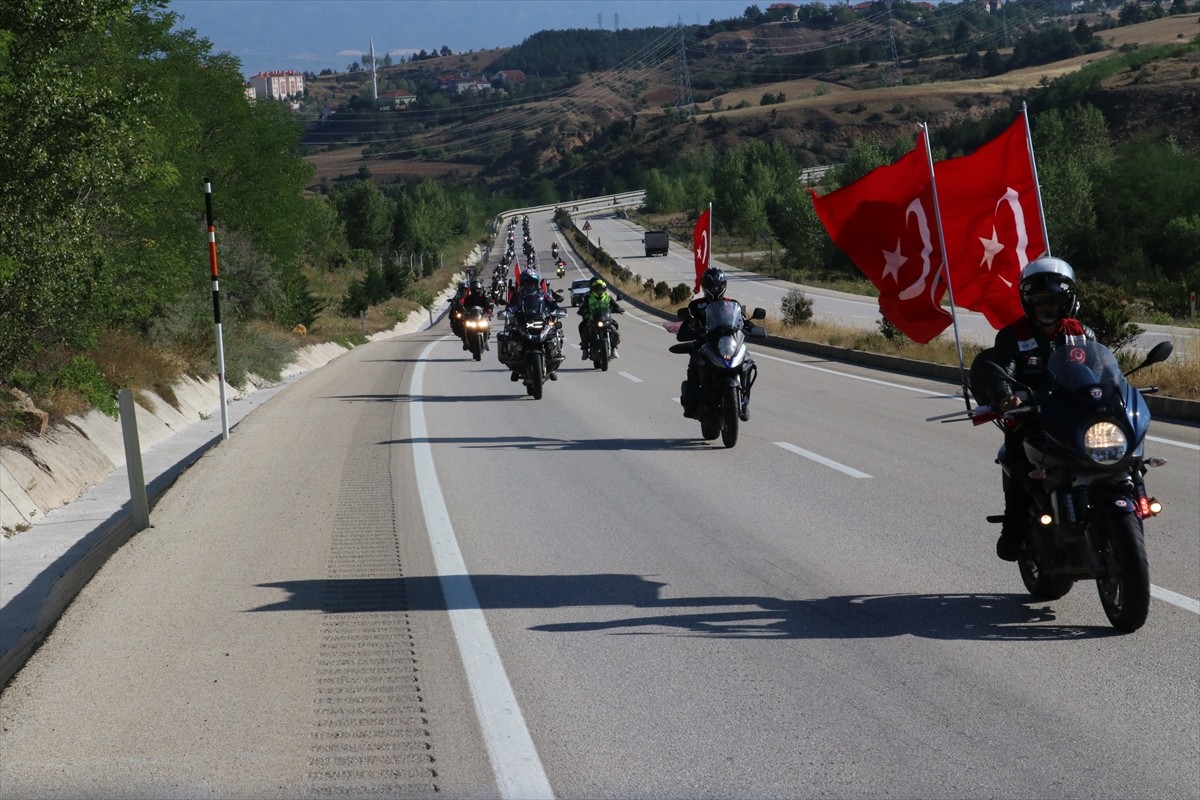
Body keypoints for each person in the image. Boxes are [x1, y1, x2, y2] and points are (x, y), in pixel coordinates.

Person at [970, 256, 1096, 562]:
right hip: (1031, 419)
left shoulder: (1082, 334)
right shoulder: (1014, 336)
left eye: (1053, 300)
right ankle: (1014, 529)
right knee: (1020, 464)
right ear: (1028, 302)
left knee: (1118, 455)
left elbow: (1101, 371)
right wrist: (1005, 398)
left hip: (1076, 418)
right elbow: (1001, 368)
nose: (1046, 307)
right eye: (1039, 301)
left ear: (1067, 300)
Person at [676, 267, 756, 418]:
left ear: (724, 285)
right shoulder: (696, 305)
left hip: (728, 345)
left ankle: (744, 403)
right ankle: (691, 403)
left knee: (747, 362)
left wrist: (751, 326)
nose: (715, 289)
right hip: (705, 346)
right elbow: (685, 328)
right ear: (704, 286)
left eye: (718, 286)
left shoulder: (733, 304)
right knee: (695, 366)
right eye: (711, 286)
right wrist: (693, 329)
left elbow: (742, 321)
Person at [578, 278, 624, 360]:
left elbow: (614, 304)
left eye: (601, 289)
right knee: (584, 329)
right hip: (593, 319)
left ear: (604, 289)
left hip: (606, 319)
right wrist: (583, 310)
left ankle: (614, 348)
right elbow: (583, 306)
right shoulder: (588, 297)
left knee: (615, 329)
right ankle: (584, 350)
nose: (599, 291)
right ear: (593, 289)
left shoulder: (608, 296)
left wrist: (618, 308)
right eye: (597, 289)